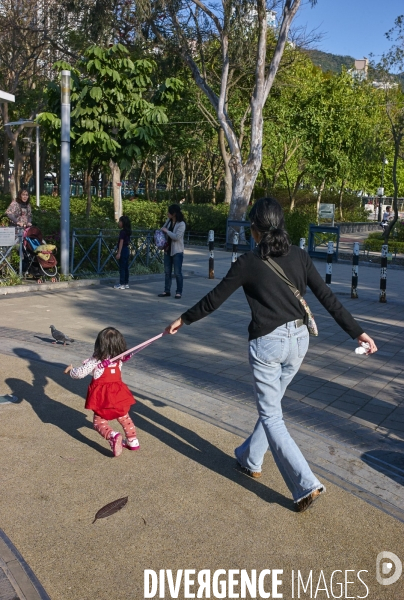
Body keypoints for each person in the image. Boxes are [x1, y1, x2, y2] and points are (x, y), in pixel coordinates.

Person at [164, 197, 377, 512]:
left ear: (255, 230)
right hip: (299, 341)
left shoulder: (248, 263)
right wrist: (356, 331)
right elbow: (328, 298)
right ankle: (250, 458)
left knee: (271, 414)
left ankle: (306, 483)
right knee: (272, 406)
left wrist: (184, 319)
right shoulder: (300, 257)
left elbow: (215, 298)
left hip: (268, 344)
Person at [64, 327, 140, 457]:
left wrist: (70, 371)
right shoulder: (119, 359)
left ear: (99, 344)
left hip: (103, 398)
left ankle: (112, 435)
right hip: (118, 394)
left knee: (99, 422)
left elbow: (80, 373)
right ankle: (133, 441)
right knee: (123, 416)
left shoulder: (96, 359)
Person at [158, 204, 186, 299]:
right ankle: (167, 290)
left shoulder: (181, 224)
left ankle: (179, 292)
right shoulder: (168, 222)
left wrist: (167, 231)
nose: (167, 214)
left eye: (169, 212)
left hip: (177, 251)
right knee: (167, 272)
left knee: (177, 272)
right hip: (167, 250)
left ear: (174, 213)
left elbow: (177, 237)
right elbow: (163, 231)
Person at [114, 215, 131, 290]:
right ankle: (126, 282)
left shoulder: (122, 232)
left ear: (123, 223)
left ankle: (122, 283)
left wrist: (119, 252)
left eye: (120, 221)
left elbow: (121, 242)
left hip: (123, 249)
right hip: (126, 249)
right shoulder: (128, 231)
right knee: (126, 267)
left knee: (122, 267)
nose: (119, 223)